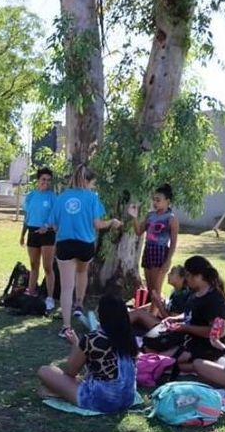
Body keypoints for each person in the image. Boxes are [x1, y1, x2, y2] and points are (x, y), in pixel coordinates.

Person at [49, 165, 122, 339]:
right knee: (82, 271)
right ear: (87, 181)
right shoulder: (92, 198)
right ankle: (79, 304)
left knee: (66, 287)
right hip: (85, 244)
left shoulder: (62, 197)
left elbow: (53, 225)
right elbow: (97, 225)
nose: (93, 187)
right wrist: (112, 222)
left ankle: (66, 327)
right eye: (93, 184)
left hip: (65, 244)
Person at [38, 294, 138, 413]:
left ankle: (59, 392)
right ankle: (59, 392)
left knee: (44, 371)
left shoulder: (93, 339)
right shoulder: (129, 337)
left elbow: (70, 372)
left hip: (102, 400)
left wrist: (76, 344)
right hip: (127, 399)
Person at [162, 255, 225, 366]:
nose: (186, 279)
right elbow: (191, 313)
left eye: (188, 275)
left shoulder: (215, 299)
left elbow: (218, 332)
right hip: (190, 340)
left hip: (207, 347)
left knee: (164, 361)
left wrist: (186, 327)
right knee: (153, 350)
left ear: (199, 276)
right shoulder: (195, 291)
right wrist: (174, 319)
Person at [128, 183, 179, 300]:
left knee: (156, 291)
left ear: (167, 201)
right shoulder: (150, 215)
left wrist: (168, 261)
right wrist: (134, 217)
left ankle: (156, 316)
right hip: (148, 251)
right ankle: (149, 315)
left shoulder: (171, 218)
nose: (155, 203)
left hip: (160, 253)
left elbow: (174, 242)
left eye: (158, 200)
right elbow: (139, 231)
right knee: (150, 289)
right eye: (154, 200)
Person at [19, 167, 57, 311]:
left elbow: (57, 218)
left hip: (48, 234)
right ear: (38, 180)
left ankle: (50, 298)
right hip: (33, 232)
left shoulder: (53, 197)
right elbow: (26, 217)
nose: (45, 182)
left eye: (48, 180)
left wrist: (47, 227)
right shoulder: (30, 196)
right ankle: (31, 293)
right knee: (34, 265)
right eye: (43, 179)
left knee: (47, 267)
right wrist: (22, 234)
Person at [129, 265, 191, 331]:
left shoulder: (181, 296)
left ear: (181, 278)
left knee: (139, 313)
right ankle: (128, 314)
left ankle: (120, 322)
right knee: (146, 307)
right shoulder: (176, 292)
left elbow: (171, 321)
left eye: (172, 273)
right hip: (165, 324)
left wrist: (159, 304)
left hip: (169, 330)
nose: (168, 274)